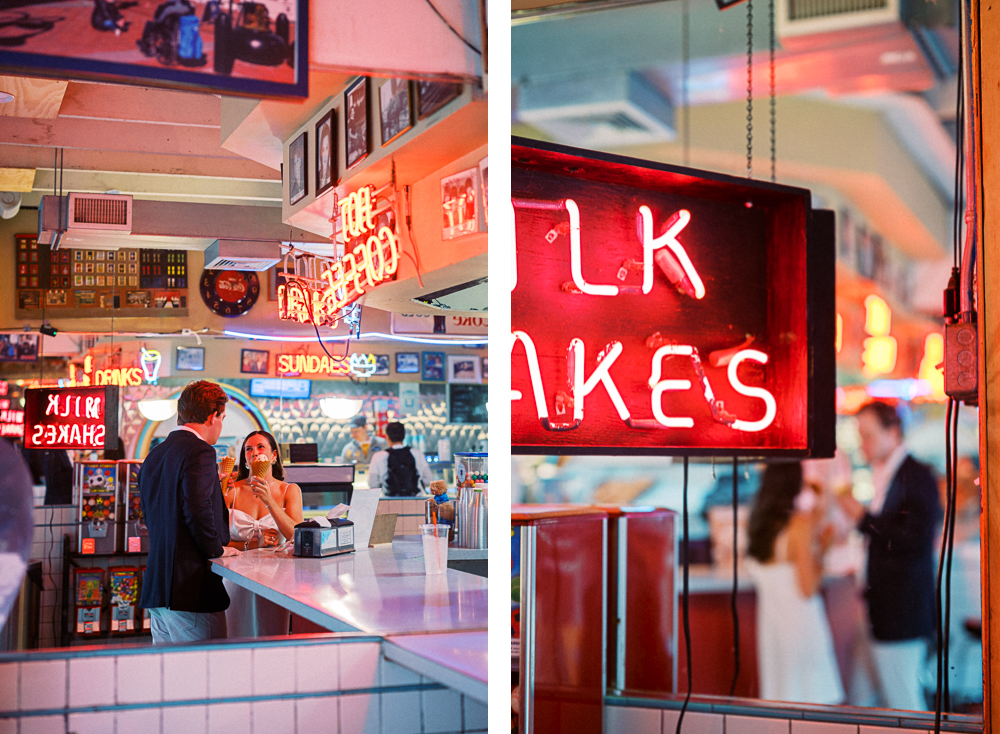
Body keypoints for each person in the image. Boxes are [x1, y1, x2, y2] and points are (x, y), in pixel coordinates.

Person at [836, 400, 942, 711]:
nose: (862, 445)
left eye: (867, 436)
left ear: (893, 432)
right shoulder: (886, 473)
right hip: (879, 609)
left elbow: (915, 537)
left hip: (901, 612)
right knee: (864, 702)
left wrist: (862, 518)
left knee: (904, 703)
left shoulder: (917, 475)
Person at [138, 380, 237, 644]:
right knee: (206, 678)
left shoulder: (154, 455)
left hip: (158, 590)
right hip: (191, 591)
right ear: (212, 415)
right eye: (223, 417)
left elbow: (151, 514)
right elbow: (198, 509)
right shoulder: (201, 451)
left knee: (170, 679)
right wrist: (216, 549)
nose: (221, 424)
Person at [746, 461, 845, 705]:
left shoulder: (757, 527)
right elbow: (808, 587)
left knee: (781, 702)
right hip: (802, 626)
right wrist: (823, 553)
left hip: (772, 630)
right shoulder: (798, 526)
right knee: (811, 704)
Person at [221, 430, 303, 637]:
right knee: (237, 635)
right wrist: (252, 545)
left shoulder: (289, 491)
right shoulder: (232, 490)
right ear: (245, 457)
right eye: (249, 449)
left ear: (274, 456)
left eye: (260, 447)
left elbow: (298, 537)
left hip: (277, 578)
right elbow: (216, 541)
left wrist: (270, 501)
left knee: (272, 634)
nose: (254, 453)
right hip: (235, 577)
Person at [367, 421, 433, 496]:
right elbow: (428, 479)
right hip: (415, 501)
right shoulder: (417, 454)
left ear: (387, 436)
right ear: (404, 436)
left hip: (389, 503)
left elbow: (373, 484)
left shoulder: (378, 456)